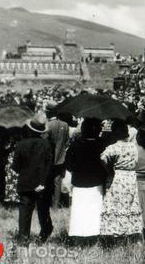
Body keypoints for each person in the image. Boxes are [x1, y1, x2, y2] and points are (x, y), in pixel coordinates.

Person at [12, 113, 54, 245]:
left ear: (30, 128)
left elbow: (15, 166)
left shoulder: (21, 144)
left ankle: (23, 238)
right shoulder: (47, 144)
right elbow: (49, 166)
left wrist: (24, 173)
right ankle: (45, 232)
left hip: (25, 183)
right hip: (42, 184)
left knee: (25, 211)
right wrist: (43, 182)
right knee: (43, 210)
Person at [99, 120, 144, 244]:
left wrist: (108, 169)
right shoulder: (133, 146)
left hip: (118, 177)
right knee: (130, 204)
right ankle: (131, 233)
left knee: (116, 205)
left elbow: (102, 158)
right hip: (131, 177)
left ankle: (117, 234)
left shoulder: (113, 147)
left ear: (114, 133)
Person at [64, 118, 106, 245]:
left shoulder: (75, 145)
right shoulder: (101, 144)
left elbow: (68, 164)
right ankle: (94, 236)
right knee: (94, 210)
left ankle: (79, 236)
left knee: (80, 210)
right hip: (96, 183)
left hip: (79, 183)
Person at [45, 104, 70, 209]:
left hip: (49, 159)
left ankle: (46, 204)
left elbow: (45, 143)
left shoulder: (48, 125)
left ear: (49, 113)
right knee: (57, 182)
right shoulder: (65, 125)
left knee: (47, 181)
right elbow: (67, 142)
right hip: (61, 158)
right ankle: (55, 206)